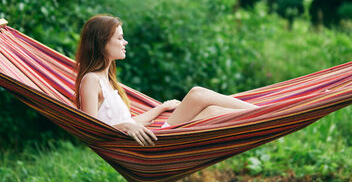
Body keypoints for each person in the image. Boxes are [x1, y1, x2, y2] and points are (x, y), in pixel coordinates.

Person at [74, 15, 258, 146]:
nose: (125, 42)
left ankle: (266, 117)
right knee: (197, 93)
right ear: (102, 42)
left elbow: (129, 121)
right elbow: (90, 131)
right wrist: (126, 127)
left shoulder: (107, 81)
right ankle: (267, 112)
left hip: (149, 139)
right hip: (153, 144)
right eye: (120, 38)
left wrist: (161, 108)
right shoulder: (91, 80)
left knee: (213, 110)